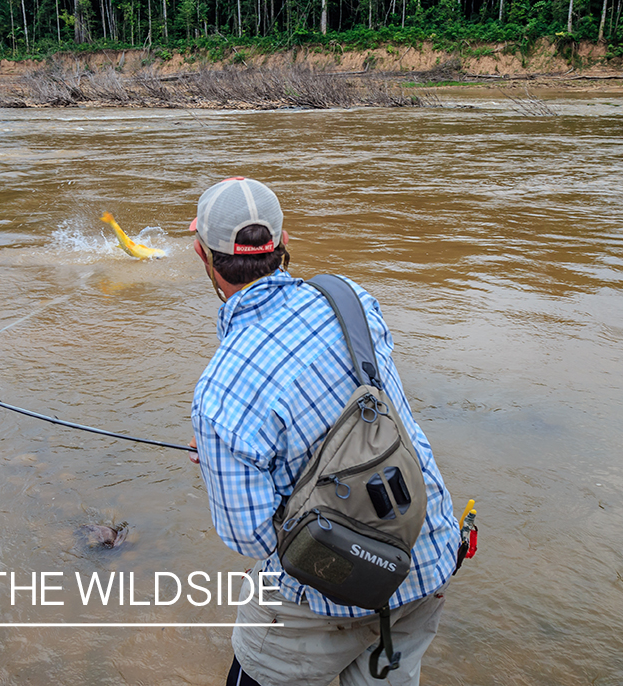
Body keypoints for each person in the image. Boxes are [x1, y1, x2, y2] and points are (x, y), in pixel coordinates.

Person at [187, 177, 459, 686]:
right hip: (426, 554)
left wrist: (227, 457)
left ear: (201, 252)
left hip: (322, 597)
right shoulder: (349, 297)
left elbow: (249, 537)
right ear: (285, 239)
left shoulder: (220, 395)